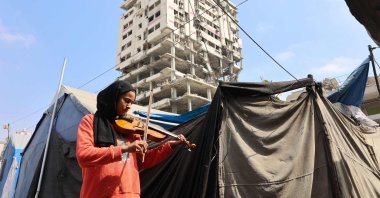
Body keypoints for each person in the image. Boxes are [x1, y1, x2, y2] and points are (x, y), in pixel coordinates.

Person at [76, 80, 186, 198]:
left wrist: (169, 146)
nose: (129, 106)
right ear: (114, 97)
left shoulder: (131, 128)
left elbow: (143, 160)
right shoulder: (90, 121)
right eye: (126, 101)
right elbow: (83, 156)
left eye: (132, 103)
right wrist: (124, 149)